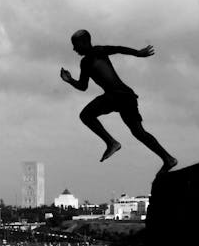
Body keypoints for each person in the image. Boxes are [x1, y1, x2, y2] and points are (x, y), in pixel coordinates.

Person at [60, 29, 178, 174]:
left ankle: (111, 143)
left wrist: (137, 53)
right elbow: (83, 86)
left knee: (86, 115)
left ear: (85, 42)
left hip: (116, 96)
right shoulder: (86, 61)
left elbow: (117, 49)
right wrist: (70, 80)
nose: (74, 49)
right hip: (127, 97)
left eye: (76, 45)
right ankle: (168, 159)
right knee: (138, 132)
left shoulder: (96, 52)